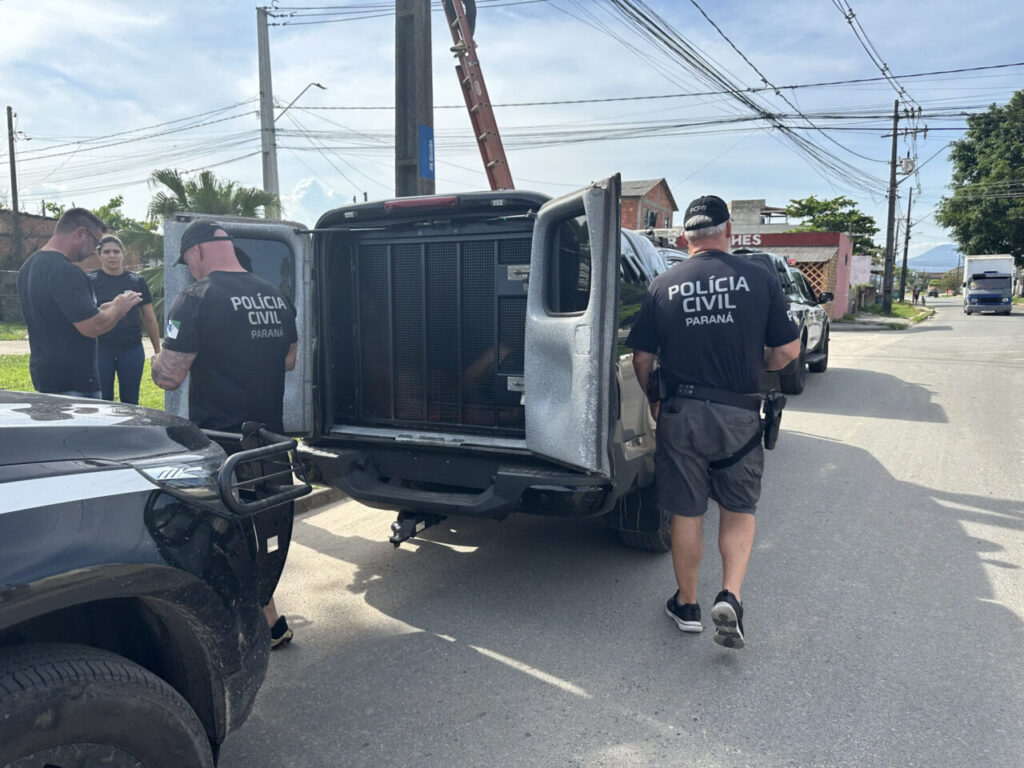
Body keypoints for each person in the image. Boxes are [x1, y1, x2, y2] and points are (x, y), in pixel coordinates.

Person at [626, 195, 800, 650]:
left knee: (687, 511)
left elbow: (641, 356)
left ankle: (687, 605)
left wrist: (654, 399)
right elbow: (788, 352)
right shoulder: (759, 279)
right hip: (738, 414)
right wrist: (753, 359)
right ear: (728, 233)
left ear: (685, 238)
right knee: (738, 509)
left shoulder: (663, 285)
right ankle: (731, 596)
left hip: (680, 412)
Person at [151, 220, 298, 649]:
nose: (190, 270)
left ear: (196, 252)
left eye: (188, 262)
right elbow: (289, 359)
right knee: (263, 531)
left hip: (222, 441)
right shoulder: (274, 294)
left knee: (224, 538)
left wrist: (157, 359)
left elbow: (169, 378)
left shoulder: (196, 297)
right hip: (268, 439)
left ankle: (234, 632)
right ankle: (270, 622)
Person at [17, 208, 142, 397]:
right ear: (81, 233)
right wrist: (118, 308)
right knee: (82, 428)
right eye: (96, 243)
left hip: (46, 377)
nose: (95, 251)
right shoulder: (66, 271)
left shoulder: (28, 266)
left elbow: (61, 318)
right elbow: (92, 327)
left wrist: (100, 310)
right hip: (74, 383)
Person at [88, 235, 162, 404]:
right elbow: (85, 317)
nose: (112, 256)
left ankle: (129, 430)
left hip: (131, 348)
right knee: (102, 399)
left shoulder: (137, 281)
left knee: (130, 401)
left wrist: (157, 351)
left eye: (116, 251)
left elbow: (150, 318)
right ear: (99, 255)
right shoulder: (91, 281)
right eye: (107, 252)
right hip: (101, 348)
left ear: (123, 254)